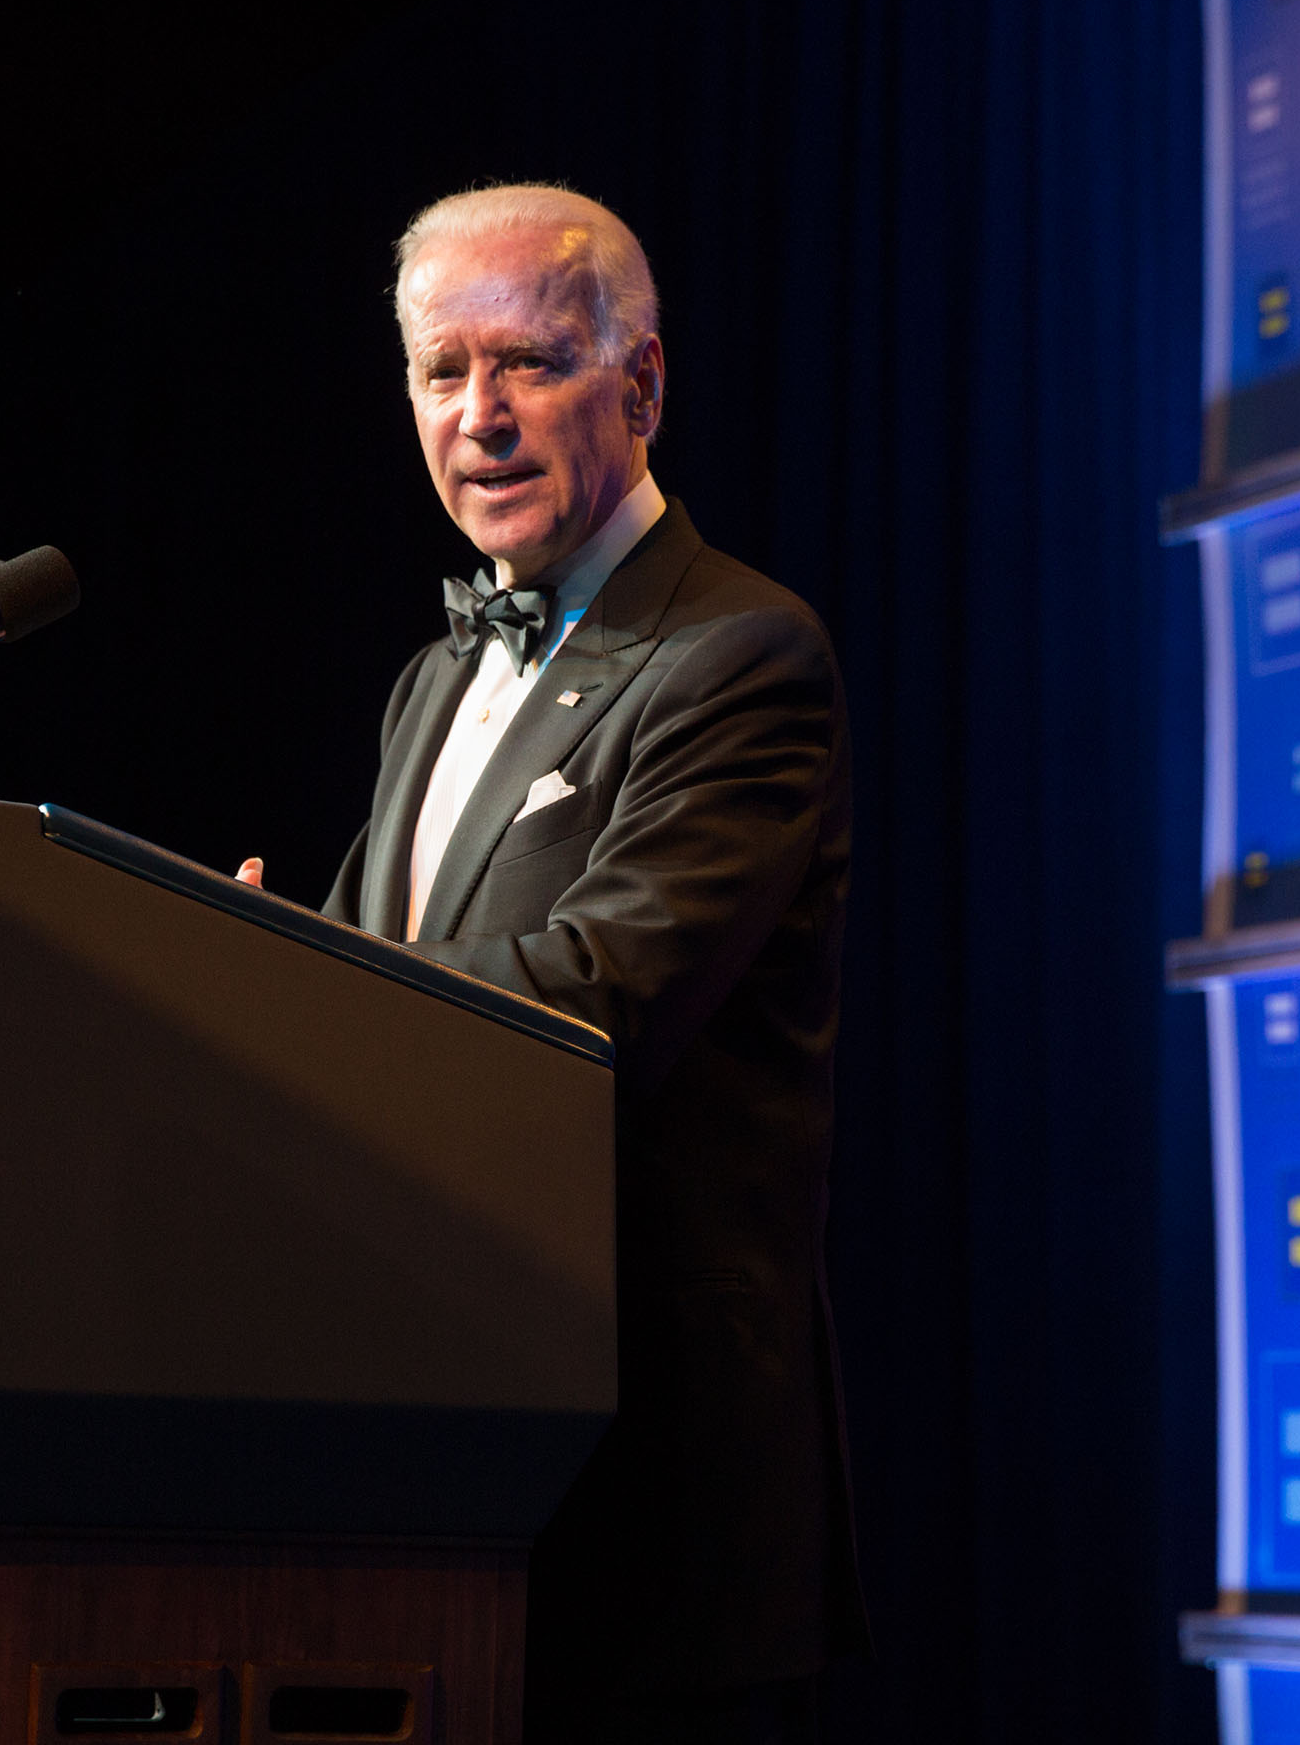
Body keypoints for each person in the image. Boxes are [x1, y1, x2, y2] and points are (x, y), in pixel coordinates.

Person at [241, 184, 863, 1741]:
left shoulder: (739, 652)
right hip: (440, 1469)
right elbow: (353, 967)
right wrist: (225, 971)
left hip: (653, 1502)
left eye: (526, 364)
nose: (481, 416)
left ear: (641, 386)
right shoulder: (430, 682)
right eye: (441, 374)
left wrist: (293, 987)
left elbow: (598, 995)